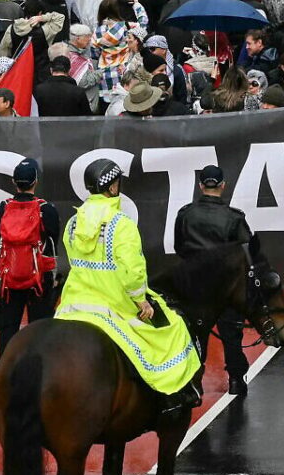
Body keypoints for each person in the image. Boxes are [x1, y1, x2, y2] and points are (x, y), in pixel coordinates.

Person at [54, 159, 201, 417]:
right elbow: (133, 272)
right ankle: (174, 395)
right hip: (113, 304)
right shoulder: (121, 224)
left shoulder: (73, 223)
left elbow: (71, 257)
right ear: (111, 187)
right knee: (172, 329)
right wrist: (140, 301)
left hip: (73, 303)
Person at [172, 164, 253, 396]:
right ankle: (236, 380)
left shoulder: (185, 214)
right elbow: (247, 255)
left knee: (196, 336)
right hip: (226, 289)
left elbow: (180, 247)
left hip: (195, 288)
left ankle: (194, 383)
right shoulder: (234, 218)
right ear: (223, 186)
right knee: (232, 336)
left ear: (200, 186)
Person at [0, 158, 58, 362]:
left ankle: (3, 373)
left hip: (9, 280)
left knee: (7, 332)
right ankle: (40, 375)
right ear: (35, 181)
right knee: (39, 333)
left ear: (14, 182)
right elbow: (53, 243)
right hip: (38, 280)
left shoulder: (1, 208)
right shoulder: (46, 209)